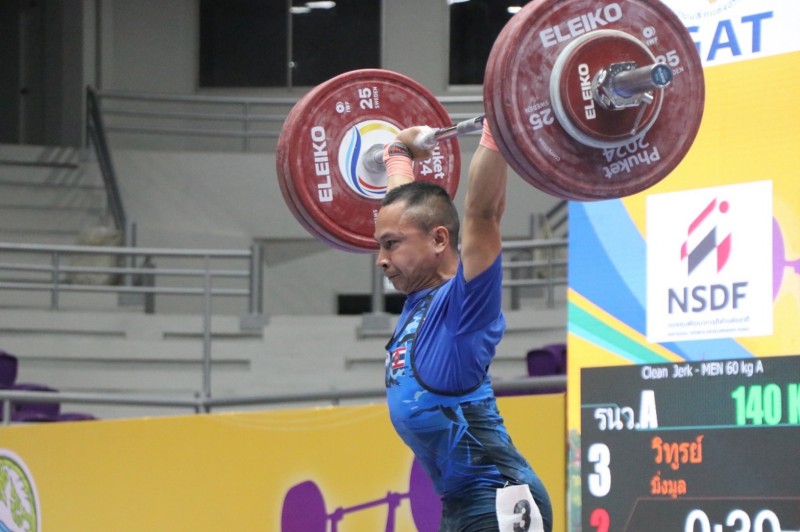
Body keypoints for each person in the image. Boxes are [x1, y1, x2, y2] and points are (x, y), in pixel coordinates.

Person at [375, 121, 553, 532]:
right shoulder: (419, 299)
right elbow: (407, 210)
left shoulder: (465, 307)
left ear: (440, 240)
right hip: (460, 503)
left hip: (500, 501)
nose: (381, 260)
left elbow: (483, 213)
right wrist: (397, 154)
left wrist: (499, 128)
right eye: (380, 245)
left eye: (390, 245)